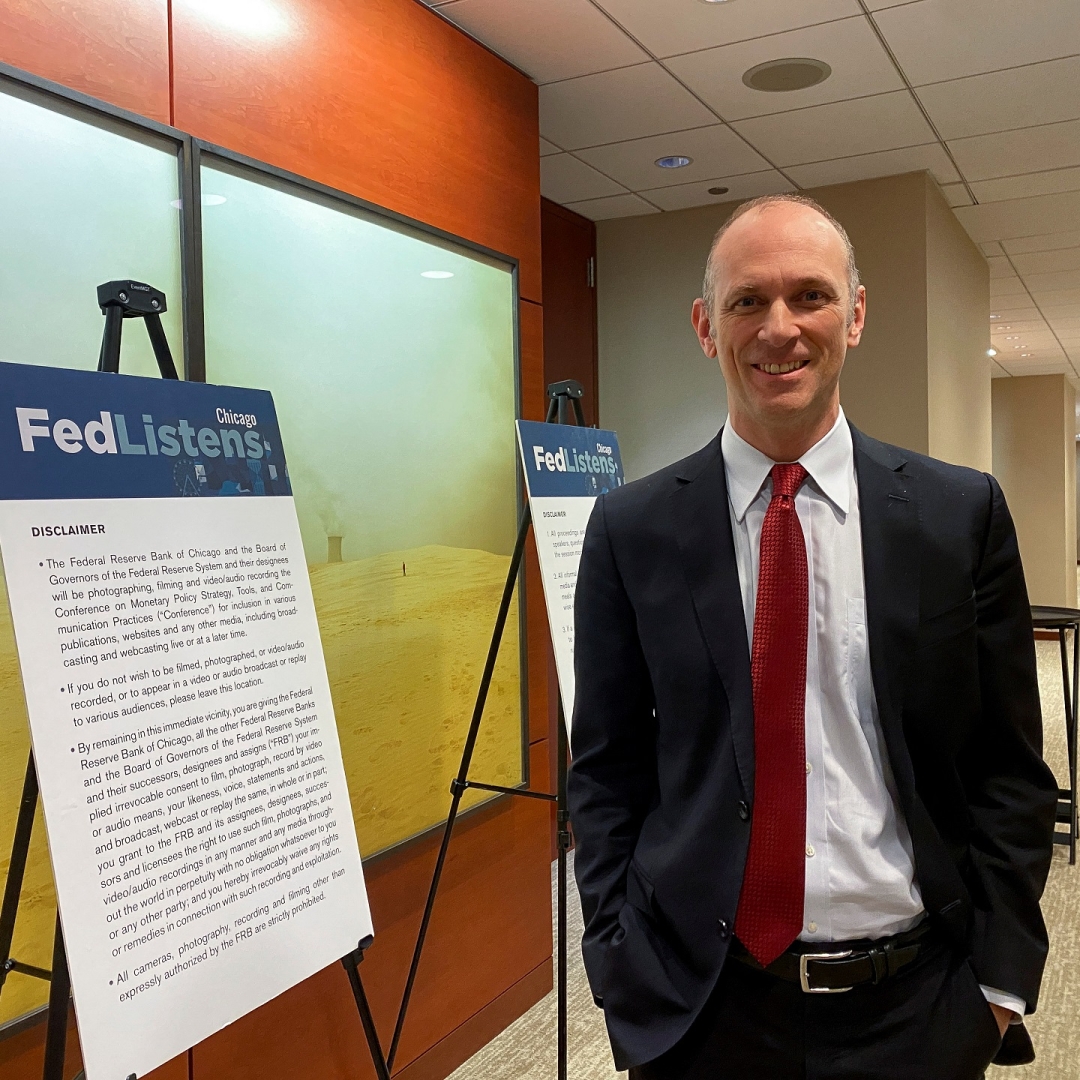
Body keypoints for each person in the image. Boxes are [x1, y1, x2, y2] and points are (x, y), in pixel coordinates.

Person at [567, 193, 1057, 1080]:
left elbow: (1009, 768)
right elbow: (605, 771)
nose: (779, 328)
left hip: (922, 1004)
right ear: (704, 326)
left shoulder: (959, 515)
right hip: (703, 1010)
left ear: (857, 314)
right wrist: (618, 967)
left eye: (811, 296)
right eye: (747, 300)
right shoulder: (631, 530)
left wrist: (999, 986)